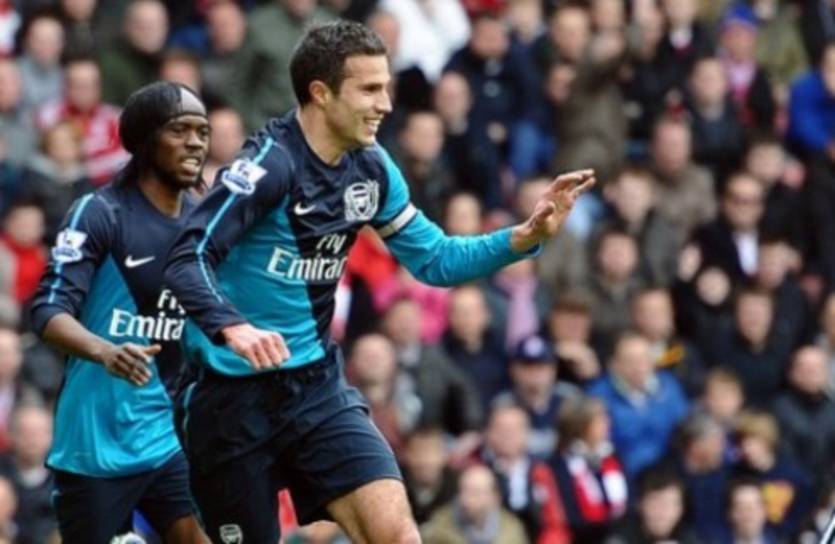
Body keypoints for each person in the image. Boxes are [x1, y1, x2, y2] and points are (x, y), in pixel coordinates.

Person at [164, 20, 595, 544]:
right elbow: (187, 257)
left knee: (398, 535)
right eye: (369, 89)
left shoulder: (371, 168)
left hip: (315, 390)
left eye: (385, 87)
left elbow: (434, 260)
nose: (386, 104)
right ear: (321, 94)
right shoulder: (267, 167)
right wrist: (233, 327)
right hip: (228, 400)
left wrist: (523, 237)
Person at [28, 82, 209, 543]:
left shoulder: (207, 222)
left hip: (168, 436)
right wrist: (104, 351)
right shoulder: (99, 212)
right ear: (145, 140)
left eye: (202, 132)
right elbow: (47, 309)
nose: (195, 142)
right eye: (180, 130)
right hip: (95, 445)